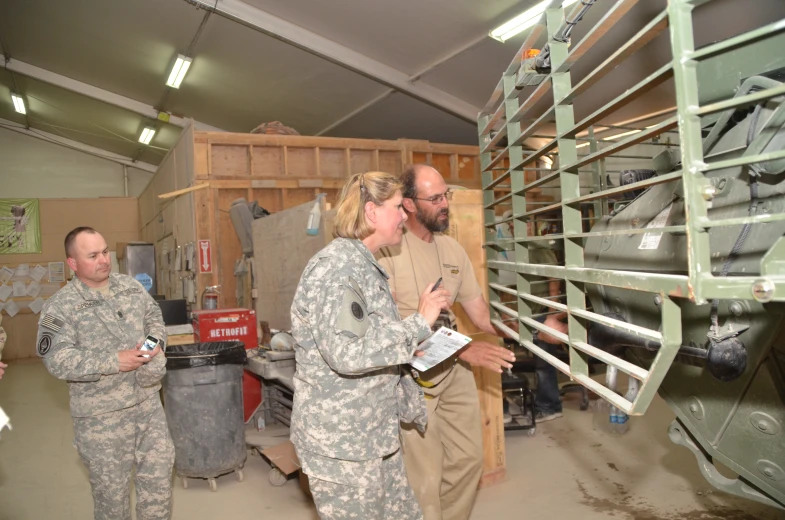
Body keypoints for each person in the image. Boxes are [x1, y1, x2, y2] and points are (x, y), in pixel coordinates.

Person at [290, 171, 451, 520]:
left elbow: (368, 340)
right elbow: (346, 354)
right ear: (371, 212)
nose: (405, 216)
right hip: (344, 448)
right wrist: (418, 323)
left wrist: (408, 349)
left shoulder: (364, 266)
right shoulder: (337, 269)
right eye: (397, 207)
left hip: (374, 436)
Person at [376, 164, 516, 520]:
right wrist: (468, 349)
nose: (445, 204)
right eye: (435, 198)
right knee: (424, 476)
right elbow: (389, 331)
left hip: (452, 369)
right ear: (408, 204)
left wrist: (529, 326)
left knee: (468, 460)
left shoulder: (452, 250)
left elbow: (482, 317)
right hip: (409, 376)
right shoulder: (388, 251)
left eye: (446, 196)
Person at [35, 227, 174, 520]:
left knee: (158, 490)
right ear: (72, 263)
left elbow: (155, 319)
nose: (104, 260)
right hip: (102, 420)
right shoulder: (59, 307)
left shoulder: (131, 287)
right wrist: (113, 360)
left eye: (105, 252)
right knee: (113, 501)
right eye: (93, 255)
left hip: (149, 408)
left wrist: (153, 345)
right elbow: (55, 359)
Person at [499, 210, 568, 423]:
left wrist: (551, 315)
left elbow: (553, 282)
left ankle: (550, 406)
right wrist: (505, 313)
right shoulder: (511, 250)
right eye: (510, 226)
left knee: (543, 361)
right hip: (519, 313)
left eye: (518, 225)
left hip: (540, 313)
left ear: (529, 225)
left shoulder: (538, 247)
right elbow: (506, 285)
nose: (514, 230)